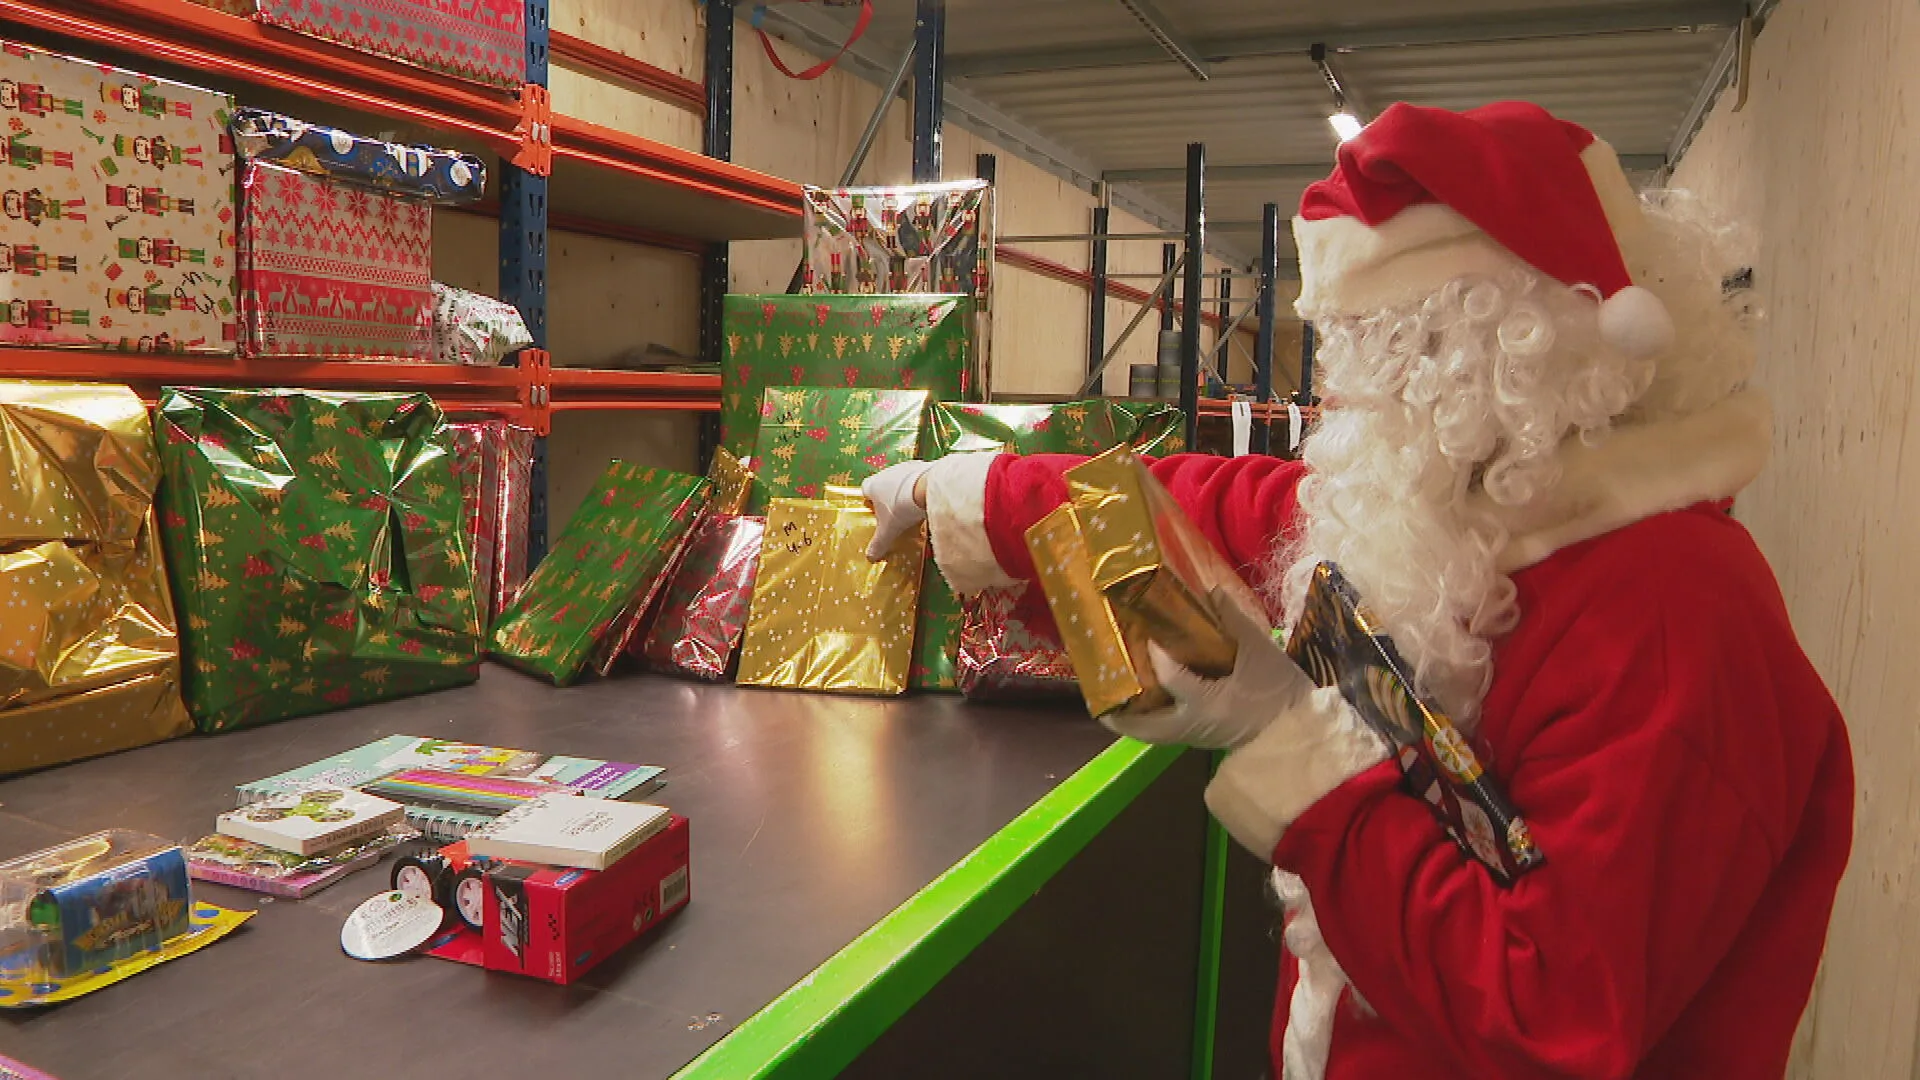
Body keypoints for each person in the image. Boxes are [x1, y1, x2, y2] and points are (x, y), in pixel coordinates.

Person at [862, 102, 1854, 1079]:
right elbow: (1214, 506)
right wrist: (965, 492)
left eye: (1378, 350)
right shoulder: (1469, 502)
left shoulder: (1680, 629)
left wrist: (1290, 736)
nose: (1338, 396)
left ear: (1511, 357)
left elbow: (1548, 1018)